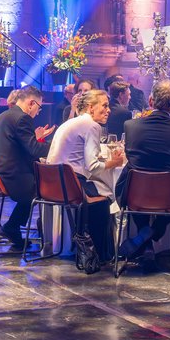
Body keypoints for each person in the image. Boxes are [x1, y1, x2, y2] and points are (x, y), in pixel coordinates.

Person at [116, 80, 170, 268]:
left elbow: (131, 157)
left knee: (138, 188)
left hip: (135, 195)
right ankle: (153, 232)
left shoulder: (131, 126)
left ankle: (145, 237)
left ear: (151, 101)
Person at [46, 89, 123, 257]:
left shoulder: (71, 122)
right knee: (110, 196)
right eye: (104, 105)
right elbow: (93, 166)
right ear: (90, 107)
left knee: (101, 189)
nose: (108, 110)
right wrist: (114, 163)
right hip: (71, 185)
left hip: (52, 184)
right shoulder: (92, 126)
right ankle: (101, 253)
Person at [0, 86, 56, 249]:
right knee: (44, 189)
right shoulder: (22, 118)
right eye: (39, 107)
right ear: (32, 103)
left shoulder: (3, 115)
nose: (38, 112)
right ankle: (16, 227)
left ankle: (13, 227)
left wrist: (37, 139)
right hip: (12, 175)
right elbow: (33, 150)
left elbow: (23, 145)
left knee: (39, 184)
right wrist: (58, 144)